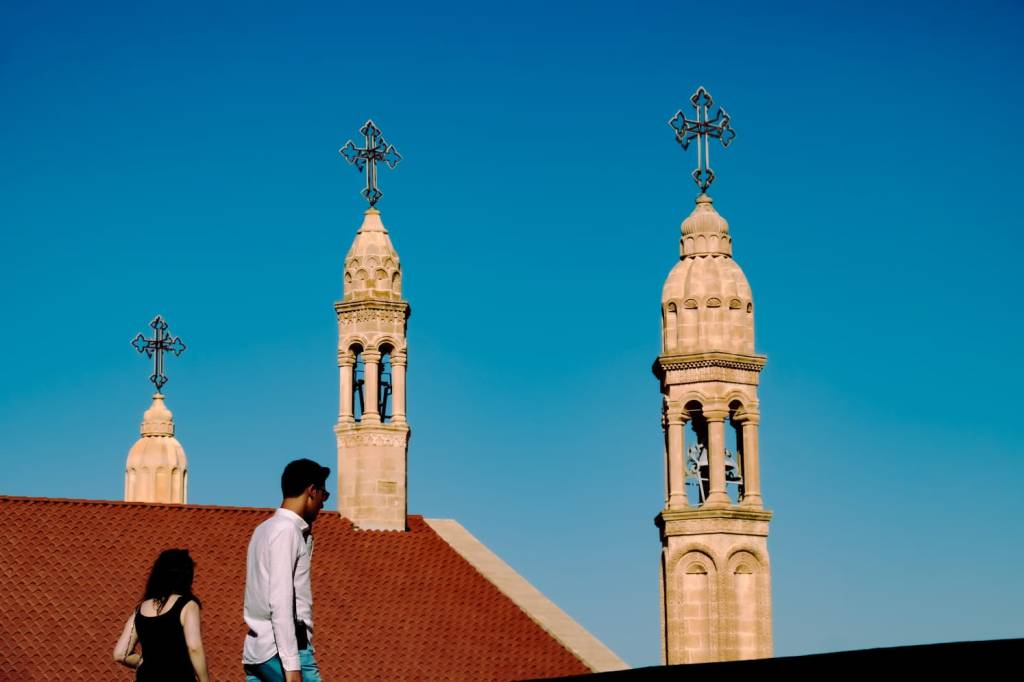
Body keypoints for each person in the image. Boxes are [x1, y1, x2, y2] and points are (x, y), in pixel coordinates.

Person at [243, 458, 331, 682]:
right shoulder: (287, 531)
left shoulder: (263, 530)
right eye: (324, 494)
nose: (323, 503)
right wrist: (292, 667)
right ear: (311, 490)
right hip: (284, 651)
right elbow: (280, 600)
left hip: (257, 651)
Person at [113, 548, 211, 682]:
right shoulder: (188, 605)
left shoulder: (140, 609)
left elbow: (120, 654)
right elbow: (194, 647)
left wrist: (145, 662)